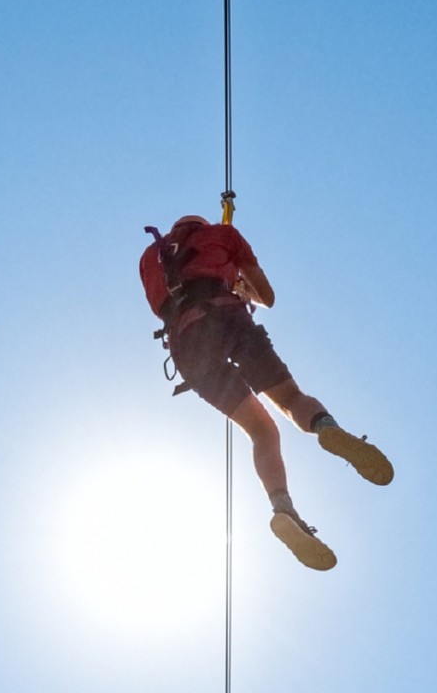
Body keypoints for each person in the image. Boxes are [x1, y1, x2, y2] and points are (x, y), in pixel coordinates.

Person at [140, 214, 393, 570]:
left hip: (187, 345)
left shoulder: (150, 258)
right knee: (290, 401)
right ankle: (328, 429)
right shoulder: (223, 234)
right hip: (226, 317)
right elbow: (268, 298)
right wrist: (241, 285)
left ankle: (282, 508)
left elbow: (158, 306)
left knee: (261, 430)